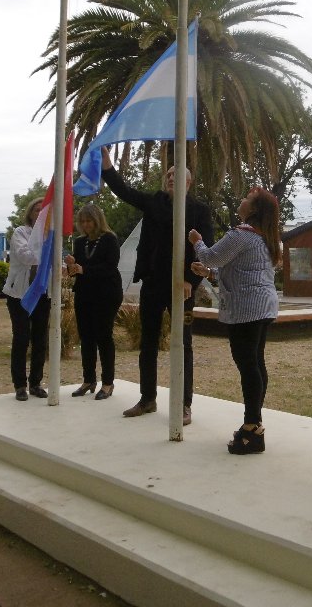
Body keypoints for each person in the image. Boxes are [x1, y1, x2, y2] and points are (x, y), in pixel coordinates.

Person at [99, 146, 213, 424]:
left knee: (183, 345)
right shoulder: (154, 203)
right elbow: (124, 192)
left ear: (189, 182)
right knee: (148, 344)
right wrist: (107, 166)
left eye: (177, 175)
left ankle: (184, 405)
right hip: (152, 284)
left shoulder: (199, 211)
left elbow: (206, 251)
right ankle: (147, 399)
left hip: (181, 287)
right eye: (168, 174)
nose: (171, 177)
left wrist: (192, 280)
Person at [189, 188, 280, 454]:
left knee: (248, 366)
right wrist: (210, 274)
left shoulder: (241, 234)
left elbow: (211, 256)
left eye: (247, 199)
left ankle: (252, 427)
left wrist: (197, 241)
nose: (242, 200)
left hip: (246, 309)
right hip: (263, 306)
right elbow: (238, 271)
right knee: (256, 364)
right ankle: (254, 425)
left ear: (252, 209)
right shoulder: (264, 238)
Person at [65, 203, 123, 401]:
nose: (86, 225)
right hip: (85, 294)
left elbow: (110, 266)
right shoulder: (80, 242)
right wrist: (72, 268)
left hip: (107, 294)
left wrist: (84, 270)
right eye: (82, 221)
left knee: (103, 337)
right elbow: (79, 269)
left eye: (89, 220)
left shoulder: (109, 239)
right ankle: (88, 379)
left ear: (97, 220)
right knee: (86, 337)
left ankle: (108, 382)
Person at [2, 199, 50, 401]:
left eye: (44, 211)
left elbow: (53, 263)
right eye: (37, 210)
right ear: (30, 213)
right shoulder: (21, 232)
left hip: (42, 293)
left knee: (40, 340)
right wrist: (47, 252)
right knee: (21, 339)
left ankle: (36, 383)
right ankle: (20, 385)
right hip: (20, 295)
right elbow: (26, 256)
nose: (40, 213)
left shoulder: (51, 236)